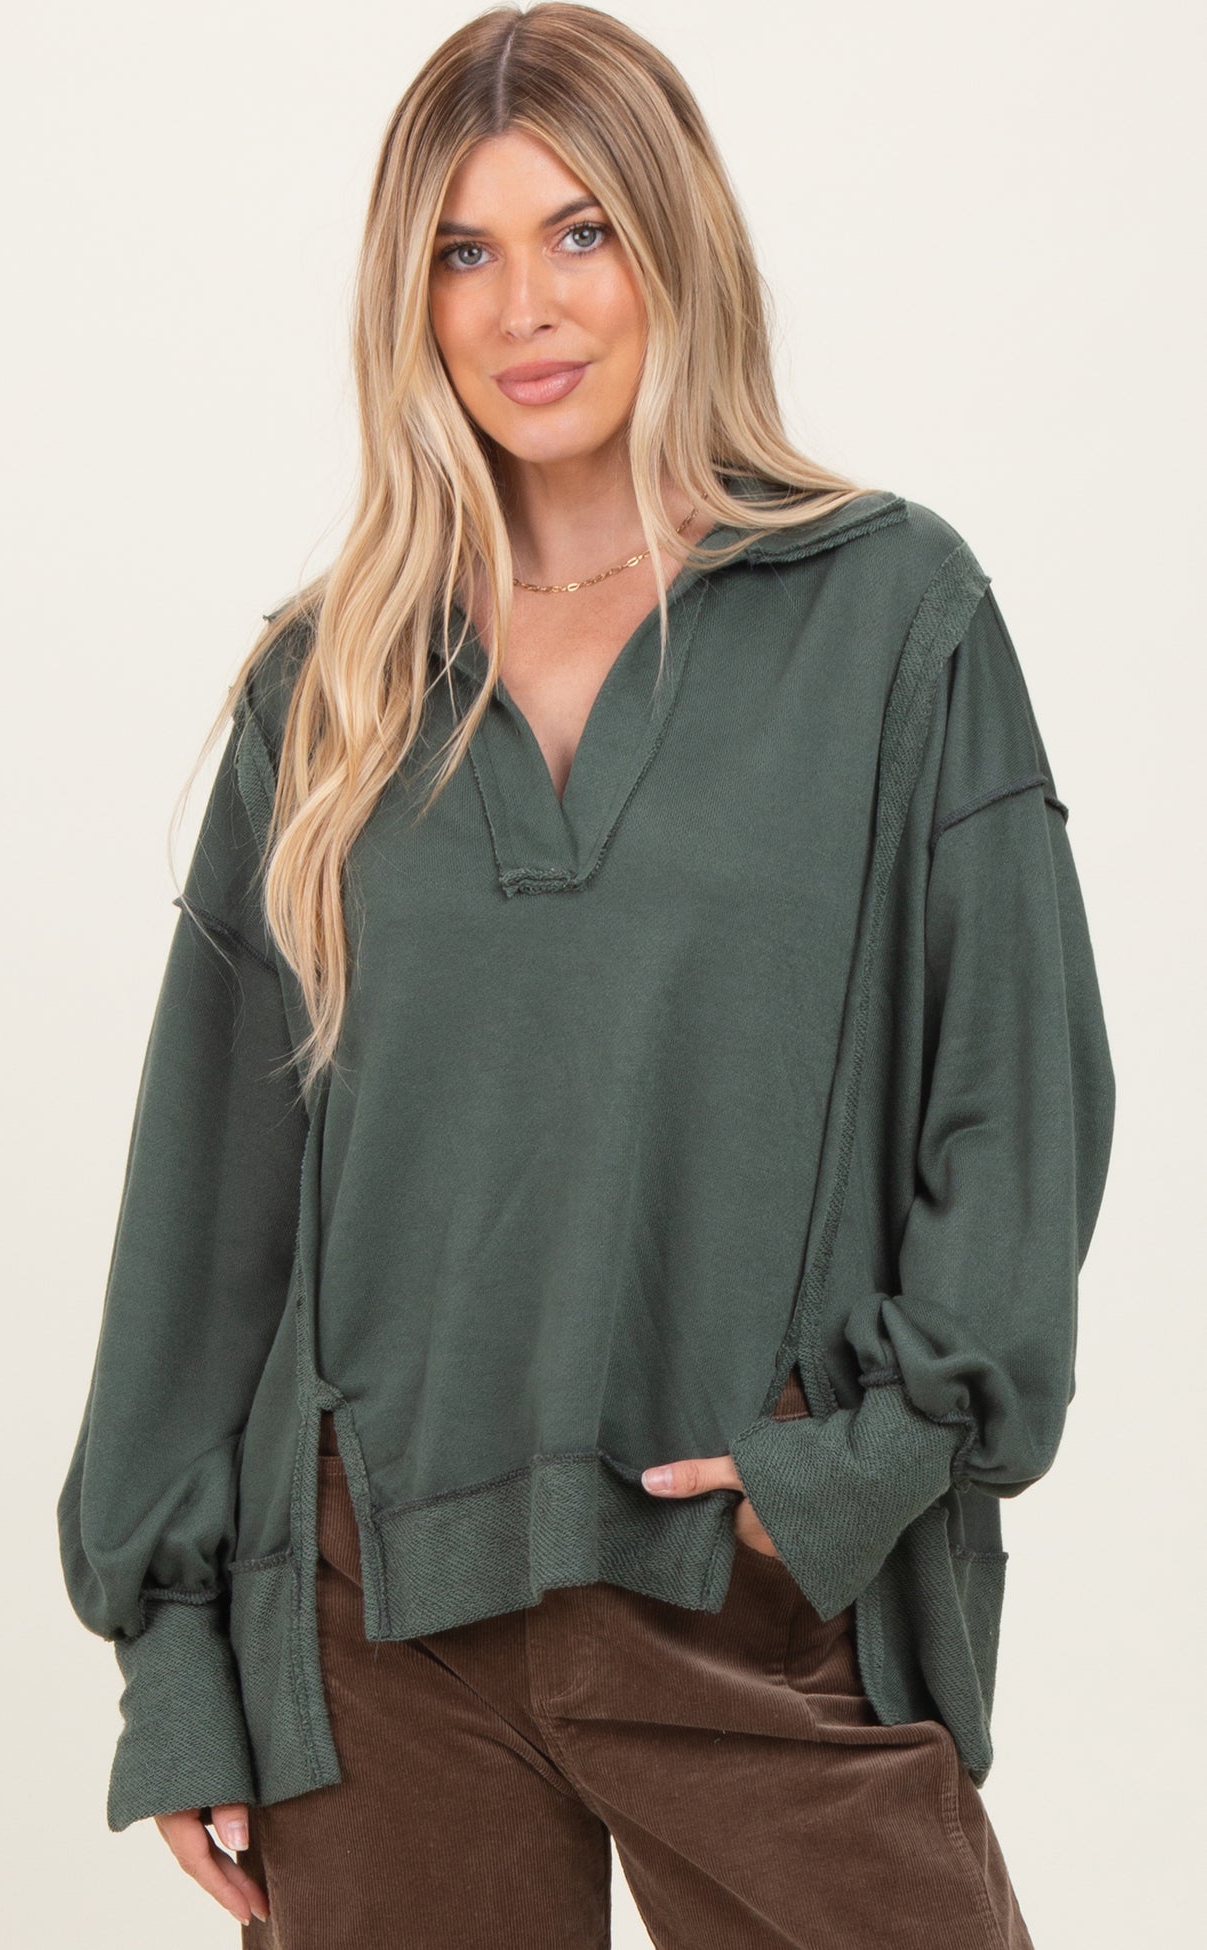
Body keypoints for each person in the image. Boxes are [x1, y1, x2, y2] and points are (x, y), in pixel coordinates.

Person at [56, 5, 1117, 1944]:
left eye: (579, 232)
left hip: (748, 1591)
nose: (521, 306)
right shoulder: (327, 684)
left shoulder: (889, 615)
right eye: (462, 251)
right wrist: (181, 1654)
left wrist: (863, 1460)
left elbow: (1016, 1098)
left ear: (673, 249)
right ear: (408, 297)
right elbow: (209, 1202)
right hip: (375, 1629)